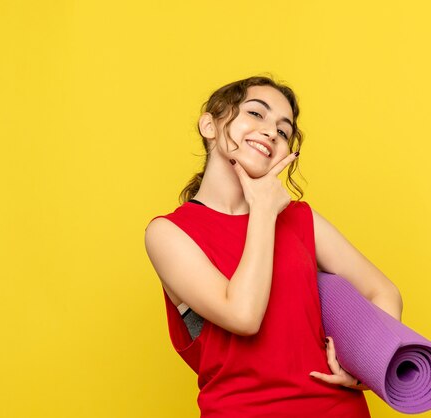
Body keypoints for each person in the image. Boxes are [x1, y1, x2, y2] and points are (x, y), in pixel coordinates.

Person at [144, 75, 403, 417]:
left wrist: (367, 366)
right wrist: (264, 211)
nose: (270, 132)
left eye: (283, 131)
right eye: (255, 113)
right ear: (209, 124)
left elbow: (383, 293)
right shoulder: (169, 233)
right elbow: (243, 315)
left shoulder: (299, 219)